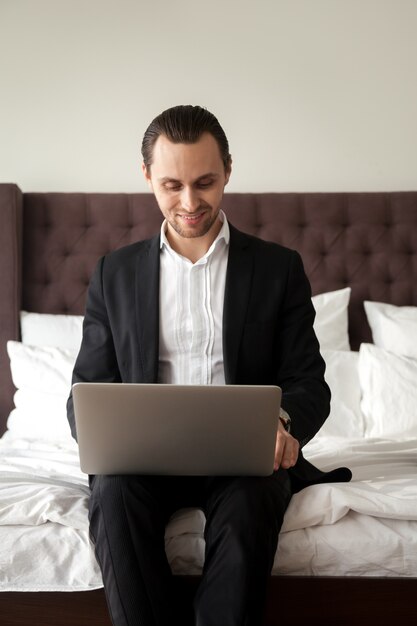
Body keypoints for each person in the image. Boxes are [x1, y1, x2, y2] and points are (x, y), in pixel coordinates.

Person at [67, 105, 351, 626]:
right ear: (147, 175)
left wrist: (283, 425)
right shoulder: (114, 273)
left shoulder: (277, 269)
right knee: (109, 493)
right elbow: (87, 389)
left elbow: (308, 382)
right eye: (172, 184)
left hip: (244, 463)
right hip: (141, 464)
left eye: (206, 182)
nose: (190, 202)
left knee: (253, 499)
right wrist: (101, 434)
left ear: (228, 170)